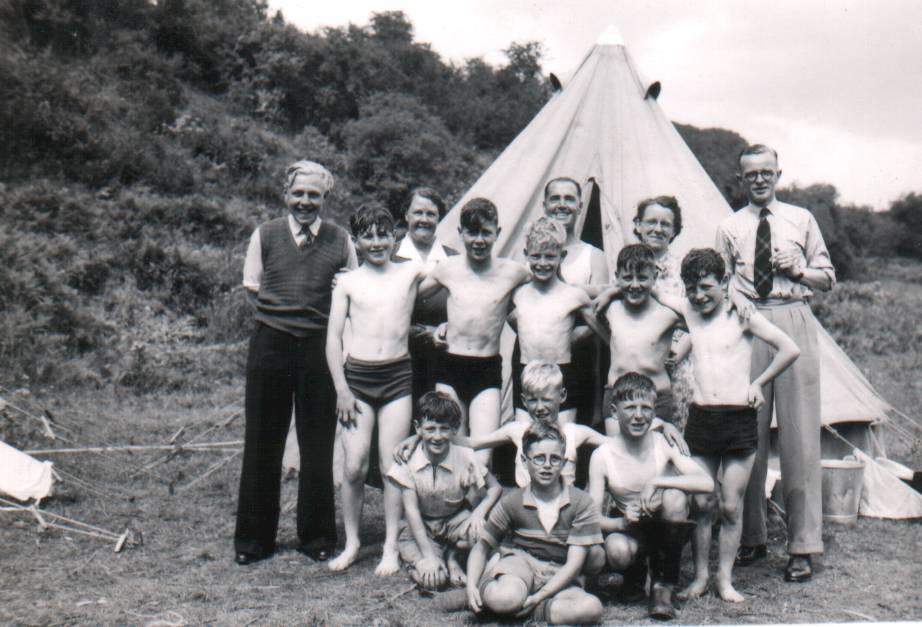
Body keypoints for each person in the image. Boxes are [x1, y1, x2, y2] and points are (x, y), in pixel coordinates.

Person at [653, 249, 801, 602]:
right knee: (703, 502)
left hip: (738, 419)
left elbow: (789, 348)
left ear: (724, 282)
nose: (699, 295)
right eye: (692, 289)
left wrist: (758, 383)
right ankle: (701, 577)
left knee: (731, 505)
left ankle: (725, 580)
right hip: (702, 418)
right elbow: (655, 291)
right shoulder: (689, 310)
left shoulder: (742, 315)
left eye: (707, 287)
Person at [717, 144, 835, 582]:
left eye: (767, 173)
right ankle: (752, 537)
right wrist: (738, 302)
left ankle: (802, 545)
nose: (760, 180)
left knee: (800, 435)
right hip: (750, 325)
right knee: (748, 433)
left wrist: (800, 270)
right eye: (752, 174)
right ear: (741, 178)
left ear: (779, 174)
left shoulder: (801, 220)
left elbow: (828, 278)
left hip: (794, 317)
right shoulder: (729, 226)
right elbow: (722, 280)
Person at [235, 160, 357, 566]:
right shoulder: (265, 235)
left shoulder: (341, 240)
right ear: (286, 195)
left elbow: (352, 291)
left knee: (317, 442)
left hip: (320, 349)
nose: (306, 202)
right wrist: (281, 320)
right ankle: (254, 540)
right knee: (262, 441)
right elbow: (253, 289)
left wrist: (316, 329)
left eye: (314, 195)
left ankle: (318, 536)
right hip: (271, 345)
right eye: (299, 194)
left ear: (325, 198)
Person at [325, 204, 428, 574]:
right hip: (358, 380)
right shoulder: (348, 282)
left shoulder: (412, 271)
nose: (377, 241)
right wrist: (341, 389)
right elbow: (333, 339)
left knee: (390, 466)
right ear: (356, 240)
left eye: (383, 233)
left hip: (398, 377)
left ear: (395, 236)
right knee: (353, 466)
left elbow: (458, 275)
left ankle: (390, 546)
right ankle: (352, 542)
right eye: (368, 235)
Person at [587, 373, 714, 620]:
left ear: (655, 412)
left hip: (665, 526)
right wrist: (621, 522)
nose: (638, 415)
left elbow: (706, 482)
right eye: (630, 407)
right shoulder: (602, 456)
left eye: (646, 408)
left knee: (675, 496)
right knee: (616, 550)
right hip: (631, 527)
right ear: (614, 411)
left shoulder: (662, 443)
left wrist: (657, 481)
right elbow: (591, 517)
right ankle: (635, 576)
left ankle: (663, 585)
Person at [425, 198, 531, 465]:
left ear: (498, 232)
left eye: (486, 232)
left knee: (482, 459)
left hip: (487, 370)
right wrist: (434, 327)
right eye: (472, 232)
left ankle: (478, 506)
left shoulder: (513, 272)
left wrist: (610, 290)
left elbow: (555, 287)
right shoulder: (447, 269)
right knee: (449, 452)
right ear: (461, 233)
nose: (479, 240)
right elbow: (405, 298)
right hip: (449, 366)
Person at [466, 422, 605, 624]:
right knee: (504, 597)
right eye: (539, 458)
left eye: (555, 459)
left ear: (564, 461)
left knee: (592, 609)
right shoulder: (512, 501)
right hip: (520, 565)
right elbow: (481, 548)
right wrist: (471, 586)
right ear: (524, 460)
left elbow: (574, 564)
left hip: (559, 573)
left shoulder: (581, 502)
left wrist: (541, 595)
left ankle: (524, 612)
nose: (547, 465)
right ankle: (499, 597)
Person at [386, 391, 502, 590]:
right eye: (430, 429)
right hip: (419, 527)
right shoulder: (408, 458)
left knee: (483, 536)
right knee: (434, 580)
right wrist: (429, 558)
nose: (437, 436)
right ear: (418, 429)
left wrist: (478, 513)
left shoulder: (464, 455)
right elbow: (412, 512)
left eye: (444, 429)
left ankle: (453, 556)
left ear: (454, 429)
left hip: (455, 519)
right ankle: (429, 561)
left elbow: (495, 488)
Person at [510, 217, 606, 425]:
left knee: (564, 441)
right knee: (525, 439)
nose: (542, 263)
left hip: (562, 373)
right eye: (536, 256)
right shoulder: (518, 294)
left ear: (562, 256)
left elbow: (605, 333)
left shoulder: (573, 296)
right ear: (526, 255)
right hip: (526, 370)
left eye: (550, 257)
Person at [592, 244, 681, 424]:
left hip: (656, 396)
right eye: (627, 278)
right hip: (617, 393)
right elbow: (575, 295)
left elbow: (698, 314)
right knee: (616, 451)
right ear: (617, 277)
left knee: (654, 451)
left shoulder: (667, 314)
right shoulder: (611, 308)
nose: (634, 285)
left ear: (654, 277)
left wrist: (660, 295)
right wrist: (611, 292)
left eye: (642, 278)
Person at [392, 187, 459, 400]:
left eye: (430, 214)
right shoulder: (390, 256)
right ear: (406, 215)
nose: (424, 219)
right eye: (418, 212)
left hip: (442, 360)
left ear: (439, 217)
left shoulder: (453, 259)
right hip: (397, 360)